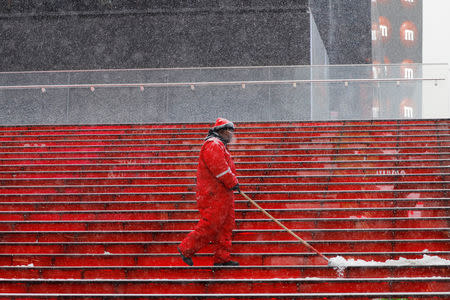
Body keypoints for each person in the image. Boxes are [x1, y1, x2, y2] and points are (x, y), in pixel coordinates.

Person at [178, 117, 241, 266]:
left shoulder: (220, 145)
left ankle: (222, 258)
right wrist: (232, 182)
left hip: (224, 193)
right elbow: (219, 168)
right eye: (229, 131)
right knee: (211, 224)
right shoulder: (213, 145)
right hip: (214, 194)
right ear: (221, 131)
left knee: (226, 226)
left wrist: (232, 184)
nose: (231, 135)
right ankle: (186, 248)